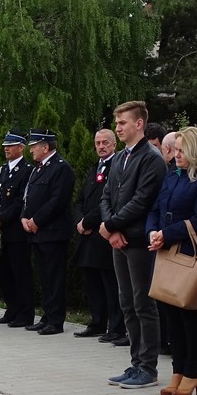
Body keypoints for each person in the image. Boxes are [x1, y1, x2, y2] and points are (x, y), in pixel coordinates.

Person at [146, 127, 197, 395]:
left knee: (189, 314)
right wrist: (153, 232)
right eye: (176, 150)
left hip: (192, 255)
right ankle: (177, 370)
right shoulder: (173, 175)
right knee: (171, 314)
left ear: (196, 151)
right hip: (167, 250)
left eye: (182, 150)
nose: (176, 154)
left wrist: (166, 234)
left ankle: (193, 371)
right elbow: (156, 209)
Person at [100, 101, 168, 390]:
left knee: (143, 304)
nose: (118, 127)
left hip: (138, 241)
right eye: (116, 123)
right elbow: (106, 196)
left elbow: (142, 201)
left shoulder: (151, 158)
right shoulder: (119, 158)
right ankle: (136, 362)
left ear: (139, 124)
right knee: (127, 302)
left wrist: (112, 226)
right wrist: (110, 228)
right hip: (119, 240)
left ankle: (148, 367)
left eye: (122, 122)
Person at [20, 129, 76, 336]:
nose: (31, 150)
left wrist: (36, 221)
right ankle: (47, 316)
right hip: (38, 233)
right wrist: (24, 218)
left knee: (54, 277)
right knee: (44, 277)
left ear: (45, 147)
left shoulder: (61, 168)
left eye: (34, 146)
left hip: (53, 232)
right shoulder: (38, 169)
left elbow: (57, 201)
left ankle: (55, 320)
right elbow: (28, 197)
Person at [73, 129, 125, 343]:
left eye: (105, 142)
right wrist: (79, 221)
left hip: (104, 234)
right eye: (98, 143)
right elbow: (80, 199)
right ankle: (97, 322)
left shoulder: (117, 166)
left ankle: (116, 327)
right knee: (92, 283)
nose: (101, 146)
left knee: (110, 284)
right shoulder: (94, 168)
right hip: (87, 237)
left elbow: (110, 201)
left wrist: (87, 221)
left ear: (114, 144)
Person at [0, 131, 34, 327]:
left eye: (10, 145)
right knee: (5, 272)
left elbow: (21, 201)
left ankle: (25, 313)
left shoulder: (26, 170)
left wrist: (2, 217)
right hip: (0, 231)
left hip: (16, 230)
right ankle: (11, 309)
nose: (6, 148)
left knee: (20, 273)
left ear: (21, 148)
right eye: (5, 145)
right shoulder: (3, 170)